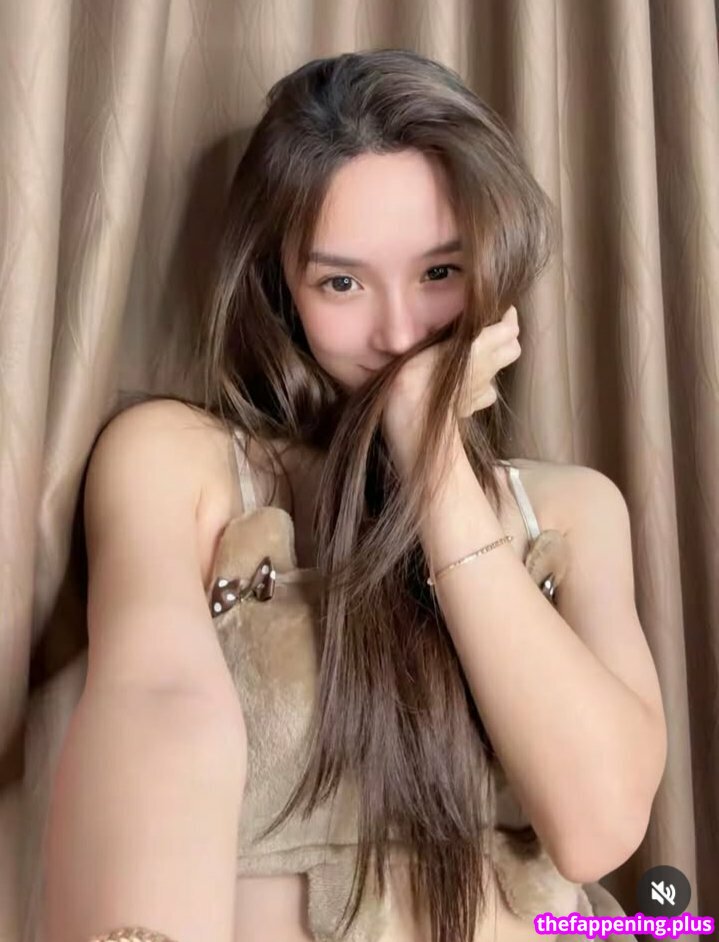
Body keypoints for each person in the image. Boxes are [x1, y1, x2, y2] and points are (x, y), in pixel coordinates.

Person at [43, 49, 666, 942]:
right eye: (341, 282)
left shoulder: (571, 509)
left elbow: (596, 825)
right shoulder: (183, 462)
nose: (400, 332)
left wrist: (431, 458)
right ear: (280, 288)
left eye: (440, 273)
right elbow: (159, 701)